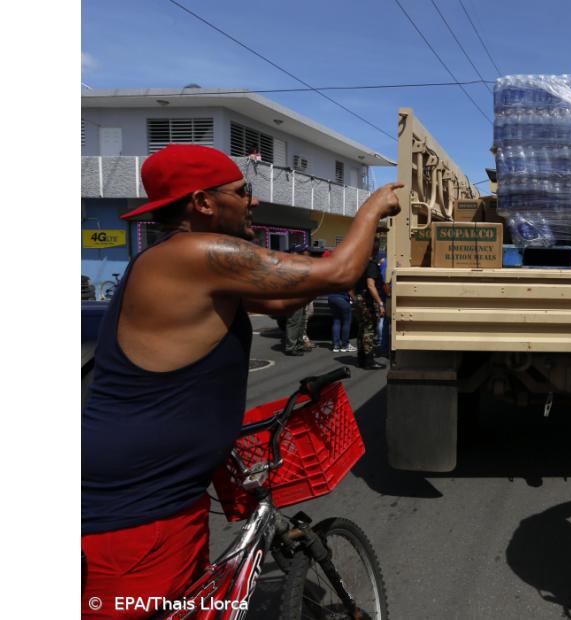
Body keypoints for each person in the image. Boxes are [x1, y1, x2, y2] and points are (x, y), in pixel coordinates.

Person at [81, 144, 401, 618]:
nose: (254, 200)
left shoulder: (181, 261)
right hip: (138, 503)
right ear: (203, 202)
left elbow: (282, 301)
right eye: (242, 190)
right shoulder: (197, 253)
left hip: (168, 489)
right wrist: (371, 209)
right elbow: (339, 273)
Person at [354, 250, 387, 369]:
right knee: (369, 330)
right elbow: (370, 285)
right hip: (367, 301)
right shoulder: (371, 265)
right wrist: (380, 303)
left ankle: (361, 358)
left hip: (359, 299)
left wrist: (355, 298)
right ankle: (369, 360)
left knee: (362, 330)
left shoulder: (359, 265)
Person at [282, 243, 311, 356]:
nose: (307, 253)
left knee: (301, 322)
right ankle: (291, 347)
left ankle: (299, 344)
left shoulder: (301, 264)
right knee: (293, 322)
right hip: (293, 297)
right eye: (304, 251)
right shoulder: (291, 265)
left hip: (302, 297)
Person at [327, 288, 354, 353]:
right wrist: (354, 299)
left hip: (331, 298)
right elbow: (350, 290)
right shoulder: (346, 280)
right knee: (346, 321)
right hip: (342, 299)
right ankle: (345, 345)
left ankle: (336, 345)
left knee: (336, 320)